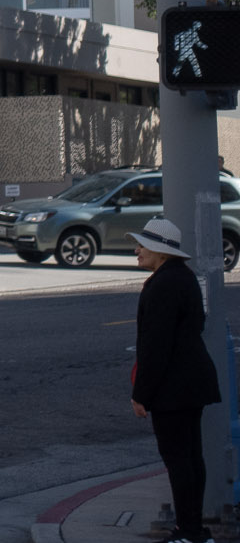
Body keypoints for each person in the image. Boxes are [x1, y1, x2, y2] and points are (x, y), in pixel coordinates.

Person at [130, 218, 222, 543]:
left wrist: (141, 394)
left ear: (161, 251)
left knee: (179, 462)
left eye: (142, 245)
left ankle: (190, 532)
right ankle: (194, 529)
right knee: (191, 458)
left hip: (174, 389)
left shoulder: (164, 285)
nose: (137, 250)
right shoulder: (183, 278)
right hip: (191, 384)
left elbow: (156, 347)